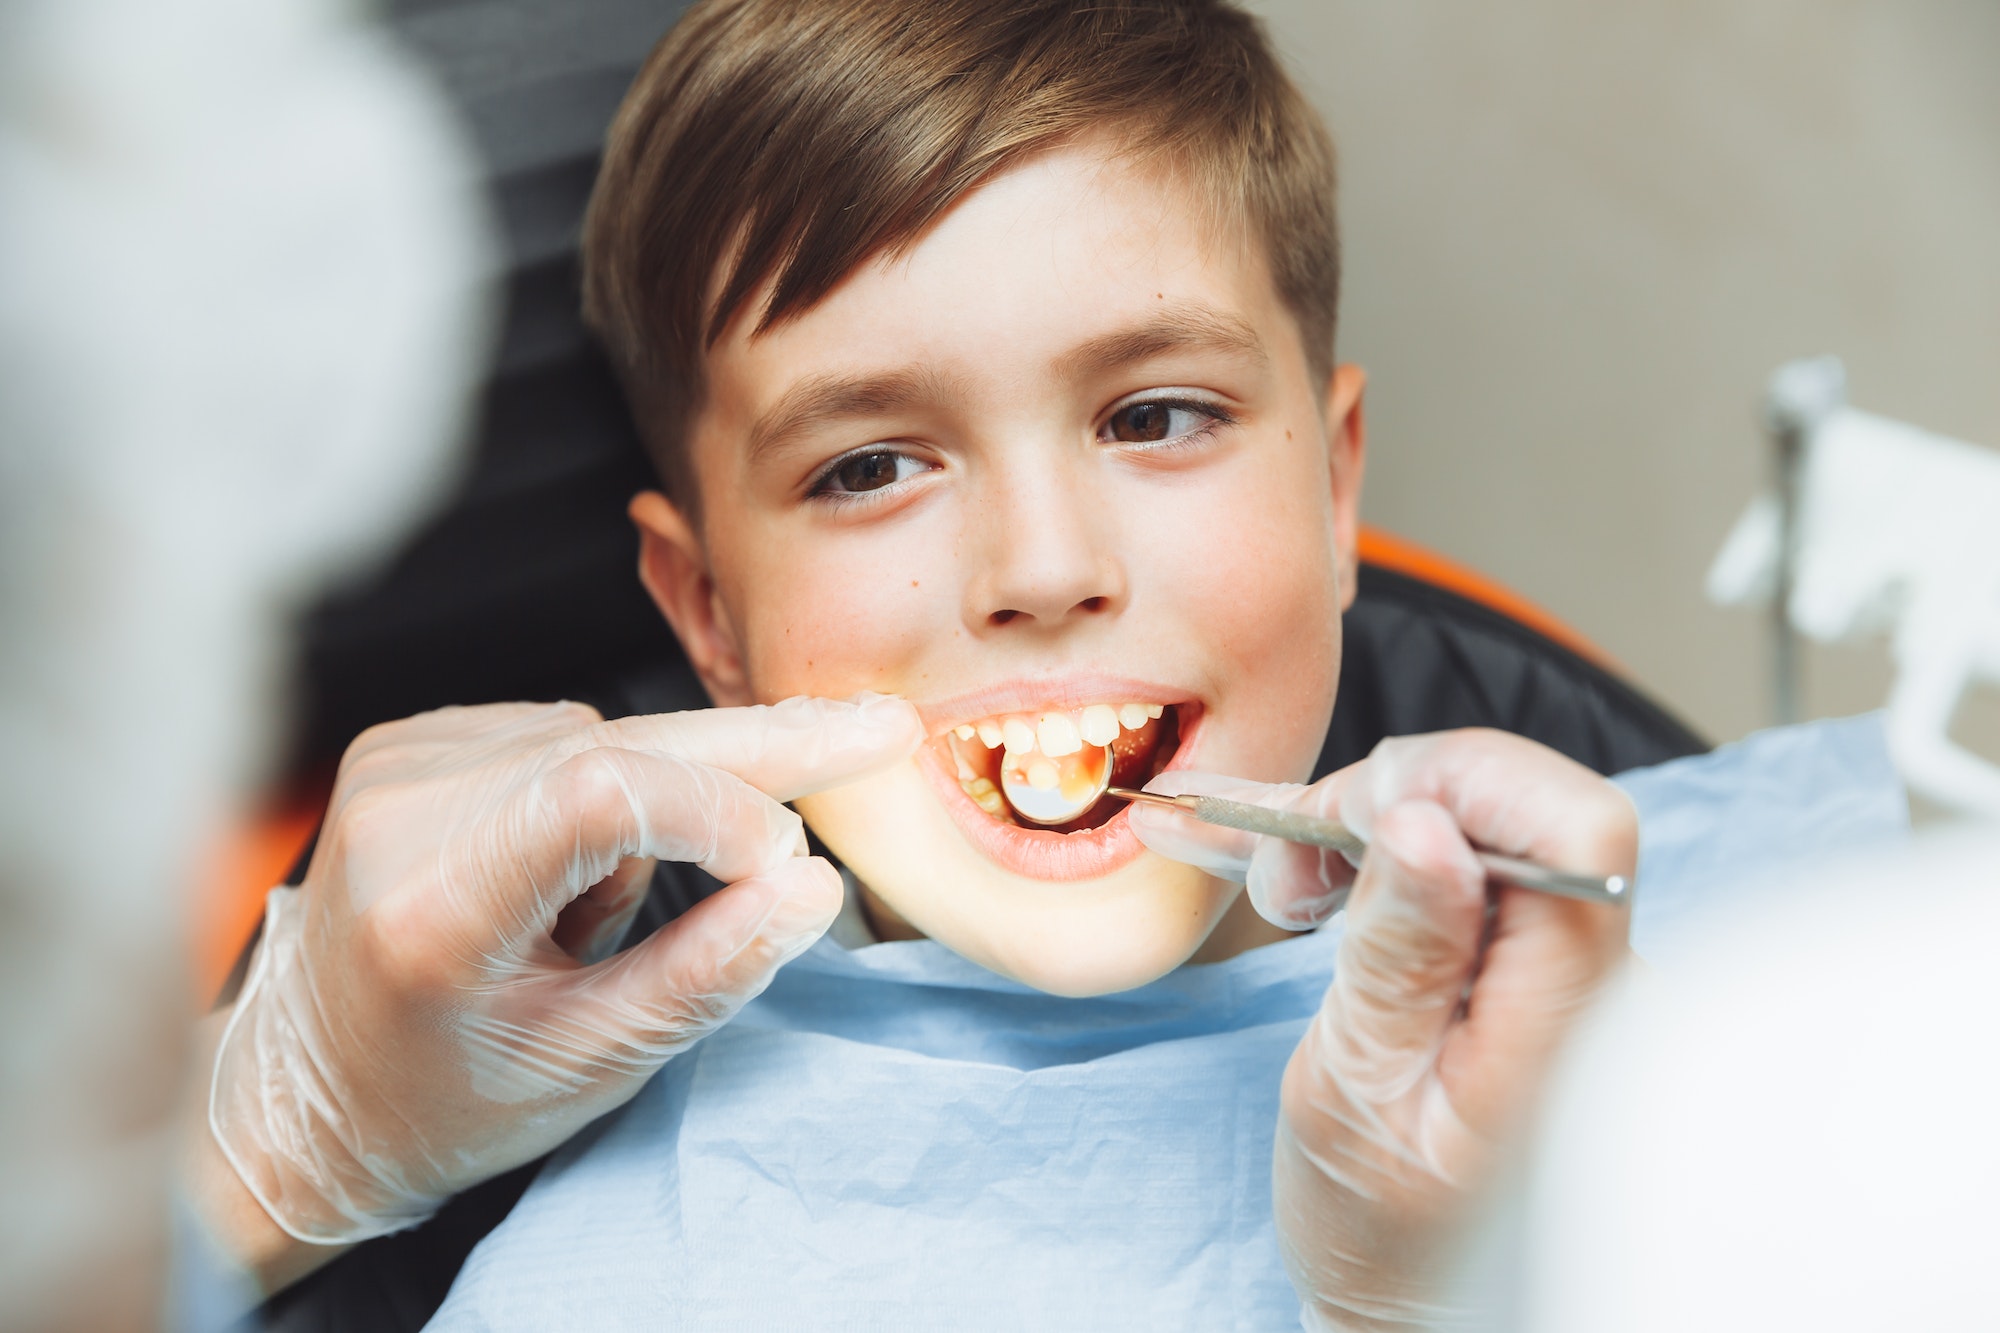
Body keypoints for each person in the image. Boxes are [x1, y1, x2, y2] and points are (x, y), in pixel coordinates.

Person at [182, 0, 1635, 1324]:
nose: (1045, 567)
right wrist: (260, 1160)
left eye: (1155, 417)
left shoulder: (1591, 849)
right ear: (710, 620)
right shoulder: (505, 971)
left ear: (1332, 490)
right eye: (871, 465)